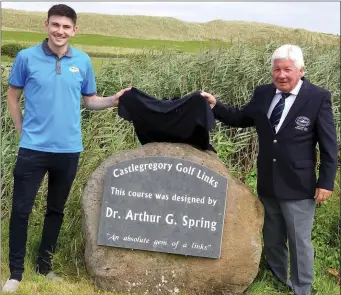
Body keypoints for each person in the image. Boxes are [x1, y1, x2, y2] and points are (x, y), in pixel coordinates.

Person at [3, 4, 130, 293]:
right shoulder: (26, 58)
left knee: (55, 210)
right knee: (21, 210)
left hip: (69, 150)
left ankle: (44, 267)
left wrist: (112, 100)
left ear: (74, 30)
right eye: (55, 24)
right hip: (32, 149)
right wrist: (23, 132)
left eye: (66, 26)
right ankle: (16, 273)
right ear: (46, 25)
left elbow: (90, 101)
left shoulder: (83, 62)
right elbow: (13, 97)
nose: (60, 31)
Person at [200, 44, 338, 295]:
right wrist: (214, 105)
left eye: (288, 70)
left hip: (299, 184)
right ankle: (277, 279)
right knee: (273, 238)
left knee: (300, 242)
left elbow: (329, 146)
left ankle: (302, 288)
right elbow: (240, 118)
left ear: (301, 71)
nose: (281, 75)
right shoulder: (264, 93)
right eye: (277, 70)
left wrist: (326, 182)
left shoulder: (318, 97)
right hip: (268, 182)